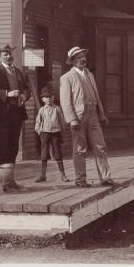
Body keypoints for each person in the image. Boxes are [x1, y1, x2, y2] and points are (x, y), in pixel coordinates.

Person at [59, 46, 115, 188]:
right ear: (72, 61)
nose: (82, 59)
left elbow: (96, 95)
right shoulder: (67, 78)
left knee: (100, 146)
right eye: (78, 58)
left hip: (93, 114)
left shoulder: (89, 75)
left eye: (83, 56)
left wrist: (101, 114)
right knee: (79, 149)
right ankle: (80, 180)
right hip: (78, 116)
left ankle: (105, 178)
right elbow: (65, 101)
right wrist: (72, 119)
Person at [0, 43, 31, 190]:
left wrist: (24, 96)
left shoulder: (19, 72)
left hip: (16, 114)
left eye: (10, 53)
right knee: (2, 147)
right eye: (5, 54)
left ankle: (10, 180)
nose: (9, 56)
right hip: (1, 115)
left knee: (13, 147)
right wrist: (7, 94)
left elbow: (27, 89)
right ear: (0, 56)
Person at [34, 84, 70, 183]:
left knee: (58, 153)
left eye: (50, 96)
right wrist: (40, 131)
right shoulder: (41, 110)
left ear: (53, 97)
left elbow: (62, 121)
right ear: (42, 99)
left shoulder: (57, 109)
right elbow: (37, 123)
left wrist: (63, 131)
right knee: (44, 153)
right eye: (46, 97)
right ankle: (42, 175)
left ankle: (63, 175)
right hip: (45, 133)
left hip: (55, 133)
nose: (48, 99)